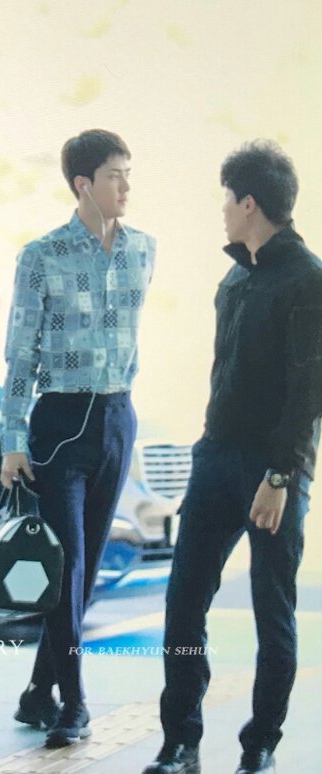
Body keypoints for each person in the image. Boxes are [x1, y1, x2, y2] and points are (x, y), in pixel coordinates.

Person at [142, 140, 322, 774]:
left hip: (274, 472)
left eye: (227, 199)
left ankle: (260, 747)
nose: (221, 210)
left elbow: (309, 391)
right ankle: (181, 742)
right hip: (216, 459)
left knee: (273, 611)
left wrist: (279, 475)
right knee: (184, 600)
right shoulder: (236, 276)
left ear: (249, 204)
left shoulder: (308, 279)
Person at [0, 129, 156, 748]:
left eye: (129, 173)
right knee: (64, 565)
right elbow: (20, 354)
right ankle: (74, 701)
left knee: (84, 570)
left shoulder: (144, 250)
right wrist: (12, 439)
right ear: (83, 184)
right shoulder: (41, 256)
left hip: (117, 419)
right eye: (116, 175)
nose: (126, 186)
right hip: (60, 426)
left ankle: (39, 689)